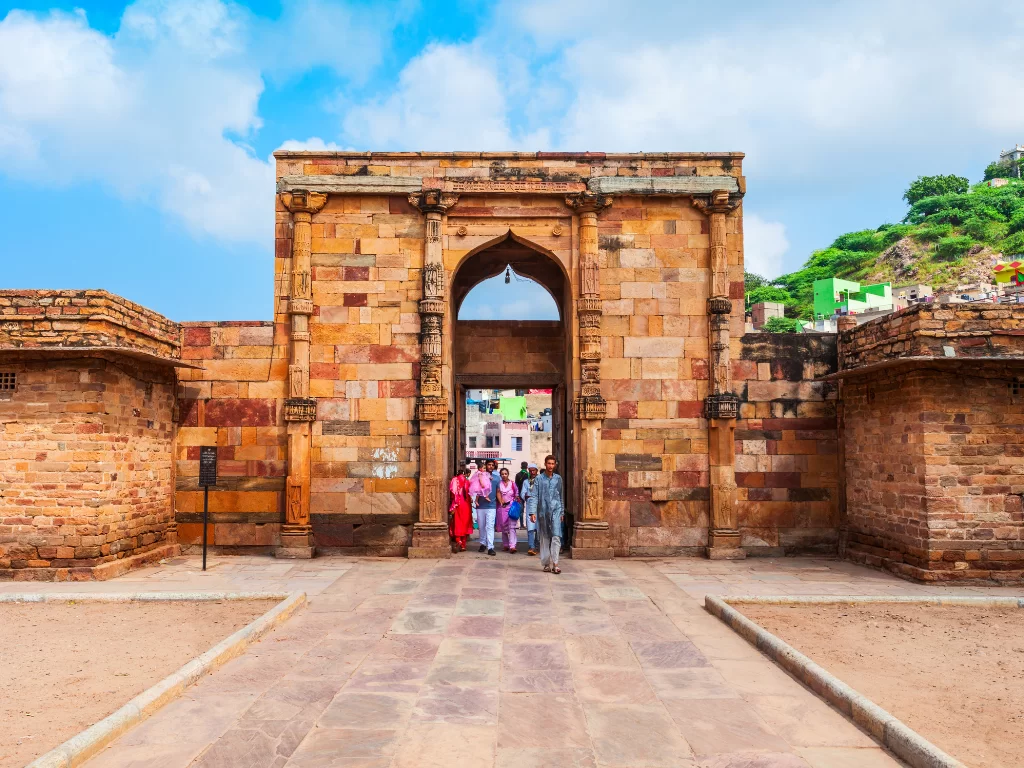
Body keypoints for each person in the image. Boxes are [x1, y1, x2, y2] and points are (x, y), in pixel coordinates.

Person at [535, 454, 564, 574]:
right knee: (545, 537)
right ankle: (546, 563)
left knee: (556, 536)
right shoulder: (539, 479)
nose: (551, 466)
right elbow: (534, 496)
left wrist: (562, 511)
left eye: (553, 463)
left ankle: (556, 564)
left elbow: (561, 495)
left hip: (556, 510)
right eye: (549, 463)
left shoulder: (558, 479)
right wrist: (532, 512)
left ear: (555, 465)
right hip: (543, 511)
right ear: (545, 464)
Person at [469, 460, 495, 555]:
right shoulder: (480, 475)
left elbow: (498, 491)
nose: (490, 466)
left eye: (492, 465)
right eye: (488, 465)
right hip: (480, 506)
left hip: (492, 506)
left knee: (490, 526)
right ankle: (483, 543)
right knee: (481, 526)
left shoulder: (495, 478)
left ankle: (490, 546)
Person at [448, 464, 473, 552]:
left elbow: (452, 493)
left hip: (458, 505)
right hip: (467, 505)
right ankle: (463, 545)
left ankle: (458, 540)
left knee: (457, 523)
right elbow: (470, 494)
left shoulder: (454, 480)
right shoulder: (467, 482)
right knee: (465, 524)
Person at [496, 467, 519, 553]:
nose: (504, 475)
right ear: (500, 475)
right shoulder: (499, 484)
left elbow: (517, 493)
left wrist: (516, 499)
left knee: (512, 527)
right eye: (502, 474)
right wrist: (500, 501)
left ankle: (512, 546)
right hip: (502, 507)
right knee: (503, 527)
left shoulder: (512, 484)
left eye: (505, 474)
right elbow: (498, 492)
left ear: (508, 474)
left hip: (511, 507)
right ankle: (505, 544)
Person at [520, 462, 539, 555]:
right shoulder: (526, 482)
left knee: (538, 528)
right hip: (529, 506)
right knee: (530, 528)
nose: (532, 472)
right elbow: (522, 493)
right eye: (530, 471)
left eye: (534, 470)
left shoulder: (541, 480)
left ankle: (537, 545)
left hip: (539, 507)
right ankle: (531, 546)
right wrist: (525, 496)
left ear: (536, 471)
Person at [514, 461, 529, 528]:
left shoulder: (518, 475)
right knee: (529, 509)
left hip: (520, 494)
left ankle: (522, 525)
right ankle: (529, 524)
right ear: (527, 467)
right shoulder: (529, 475)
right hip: (528, 494)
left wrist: (516, 495)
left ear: (521, 466)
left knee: (521, 510)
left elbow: (516, 486)